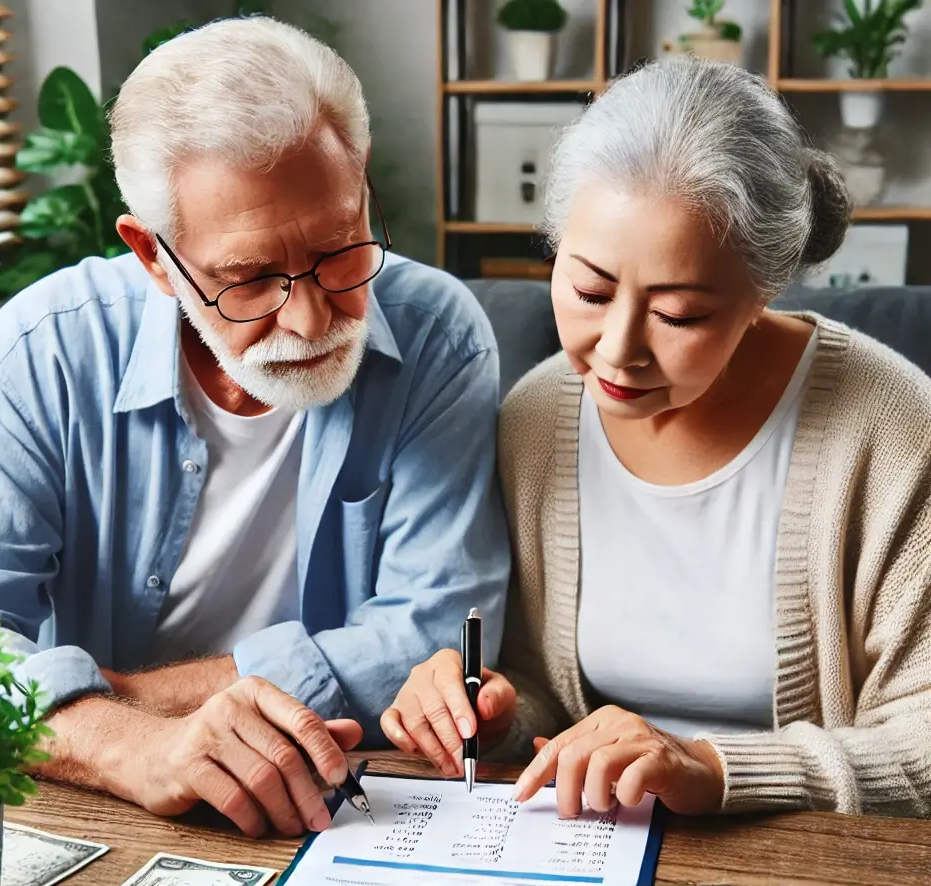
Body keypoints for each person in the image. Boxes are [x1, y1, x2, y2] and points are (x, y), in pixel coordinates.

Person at [0, 18, 509, 837]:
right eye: (250, 278)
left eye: (339, 250)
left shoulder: (439, 335)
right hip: (97, 807)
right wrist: (128, 745)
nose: (309, 317)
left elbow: (436, 636)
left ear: (360, 183)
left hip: (354, 800)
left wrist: (121, 693)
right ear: (153, 256)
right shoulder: (40, 352)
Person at [383, 58, 931, 820]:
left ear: (761, 291)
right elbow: (545, 690)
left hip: (813, 867)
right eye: (589, 291)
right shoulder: (538, 420)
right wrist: (500, 716)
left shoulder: (895, 431)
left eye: (678, 316)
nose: (617, 349)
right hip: (594, 846)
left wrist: (713, 769)